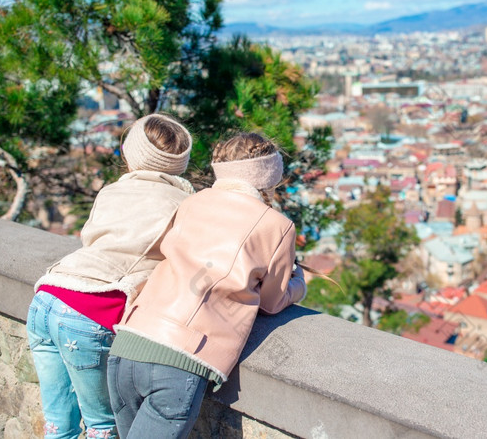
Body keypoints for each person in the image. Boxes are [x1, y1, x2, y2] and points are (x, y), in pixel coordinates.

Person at [107, 132, 307, 438]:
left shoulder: (192, 202)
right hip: (180, 358)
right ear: (271, 173)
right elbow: (271, 301)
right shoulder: (276, 226)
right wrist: (298, 284)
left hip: (128, 343)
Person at [27, 114, 194, 439]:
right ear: (181, 161)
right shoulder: (183, 204)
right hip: (90, 313)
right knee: (102, 428)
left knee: (58, 427)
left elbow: (91, 238)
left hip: (47, 295)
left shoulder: (111, 191)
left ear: (130, 153)